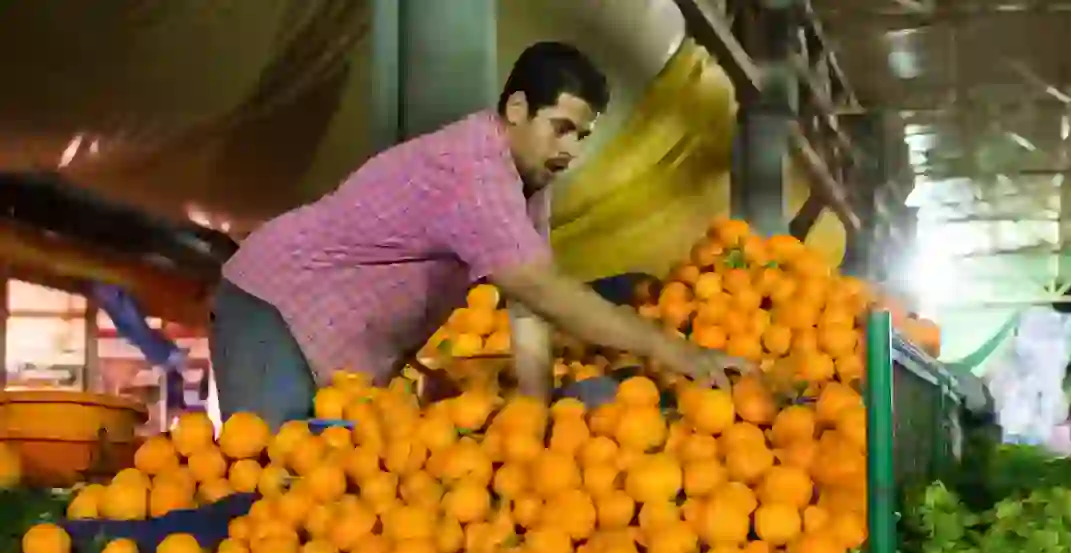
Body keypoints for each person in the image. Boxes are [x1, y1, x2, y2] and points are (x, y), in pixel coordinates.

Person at [211, 42, 748, 428]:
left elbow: (526, 302)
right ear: (517, 109)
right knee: (267, 479)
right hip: (274, 306)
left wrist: (535, 415)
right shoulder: (473, 169)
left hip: (336, 341)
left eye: (582, 136)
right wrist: (678, 354)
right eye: (561, 128)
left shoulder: (529, 181)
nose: (571, 150)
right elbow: (542, 289)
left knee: (318, 490)